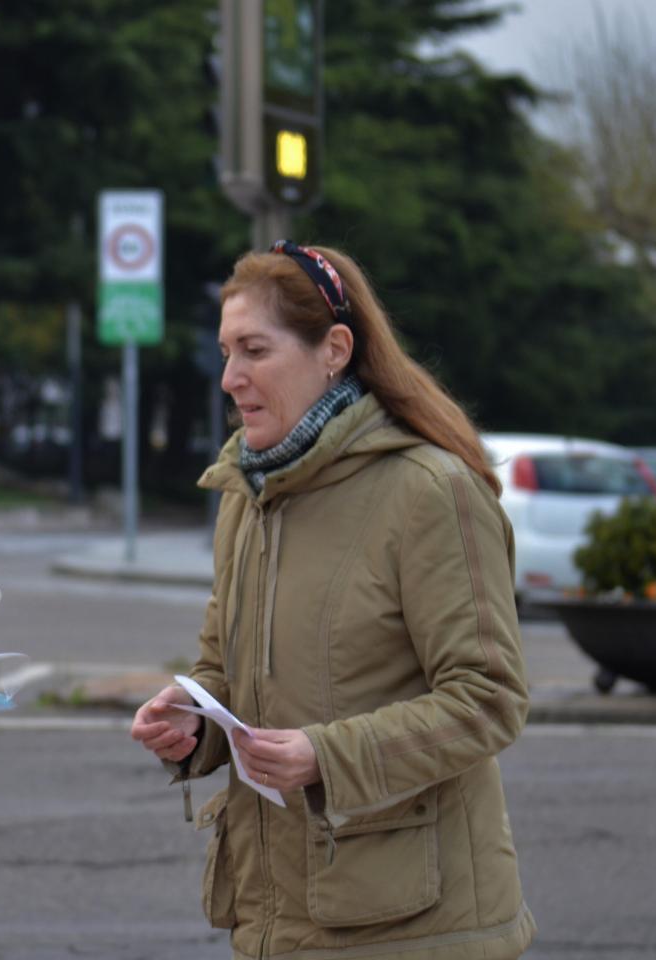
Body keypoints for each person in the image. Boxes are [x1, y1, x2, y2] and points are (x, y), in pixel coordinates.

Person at [129, 242, 533, 960]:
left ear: (334, 350)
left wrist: (325, 754)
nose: (230, 378)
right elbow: (225, 670)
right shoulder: (246, 497)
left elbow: (489, 696)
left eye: (255, 350)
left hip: (417, 930)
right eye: (225, 352)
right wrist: (194, 726)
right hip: (278, 922)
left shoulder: (430, 491)